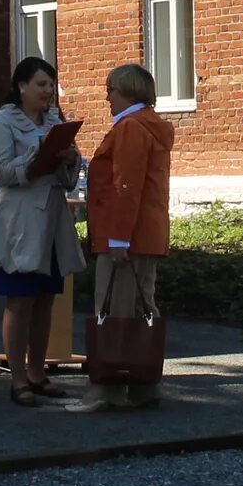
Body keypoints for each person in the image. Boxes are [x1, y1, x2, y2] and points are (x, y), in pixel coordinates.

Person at [0, 56, 85, 407]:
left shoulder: (55, 120)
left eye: (51, 85)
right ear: (21, 86)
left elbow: (70, 178)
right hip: (20, 220)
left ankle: (38, 372)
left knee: (44, 299)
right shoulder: (2, 123)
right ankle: (18, 379)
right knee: (20, 297)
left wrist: (70, 160)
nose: (48, 91)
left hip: (52, 218)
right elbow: (3, 173)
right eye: (41, 84)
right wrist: (37, 158)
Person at [82, 62, 174, 411]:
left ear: (128, 92)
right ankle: (142, 385)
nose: (107, 98)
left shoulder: (131, 128)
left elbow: (126, 185)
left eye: (111, 90)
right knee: (139, 307)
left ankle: (107, 388)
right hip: (147, 233)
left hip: (126, 235)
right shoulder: (150, 126)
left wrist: (117, 238)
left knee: (114, 311)